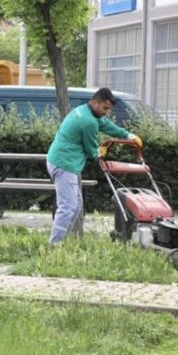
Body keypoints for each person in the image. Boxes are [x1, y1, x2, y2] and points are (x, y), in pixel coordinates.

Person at [46, 87, 142, 244]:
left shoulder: (86, 111)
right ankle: (54, 246)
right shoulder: (88, 121)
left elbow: (106, 125)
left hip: (62, 161)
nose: (106, 112)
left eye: (109, 109)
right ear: (95, 102)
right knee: (68, 207)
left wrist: (128, 136)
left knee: (76, 207)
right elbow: (92, 151)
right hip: (64, 164)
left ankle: (63, 242)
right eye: (105, 108)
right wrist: (99, 153)